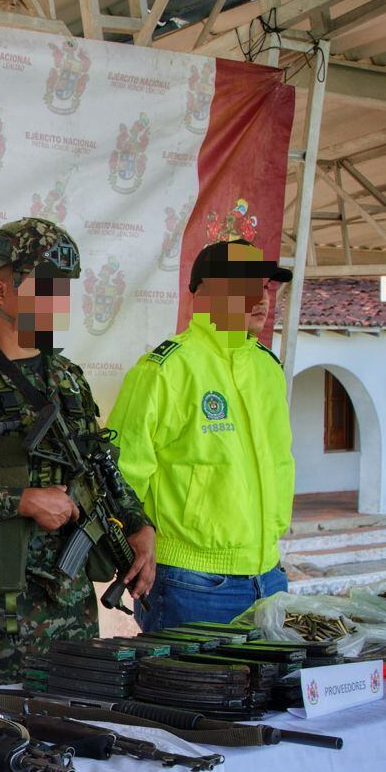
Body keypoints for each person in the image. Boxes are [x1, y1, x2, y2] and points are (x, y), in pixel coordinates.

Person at [0, 217, 155, 686]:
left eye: (64, 290)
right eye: (44, 289)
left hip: (76, 618)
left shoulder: (68, 378)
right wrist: (22, 502)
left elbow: (100, 470)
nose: (57, 303)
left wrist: (141, 524)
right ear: (1, 293)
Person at [107, 239, 295, 631]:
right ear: (206, 293)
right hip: (190, 583)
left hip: (269, 575)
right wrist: (131, 546)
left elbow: (278, 462)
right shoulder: (165, 369)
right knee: (188, 693)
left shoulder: (267, 368)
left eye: (264, 286)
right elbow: (119, 475)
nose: (261, 297)